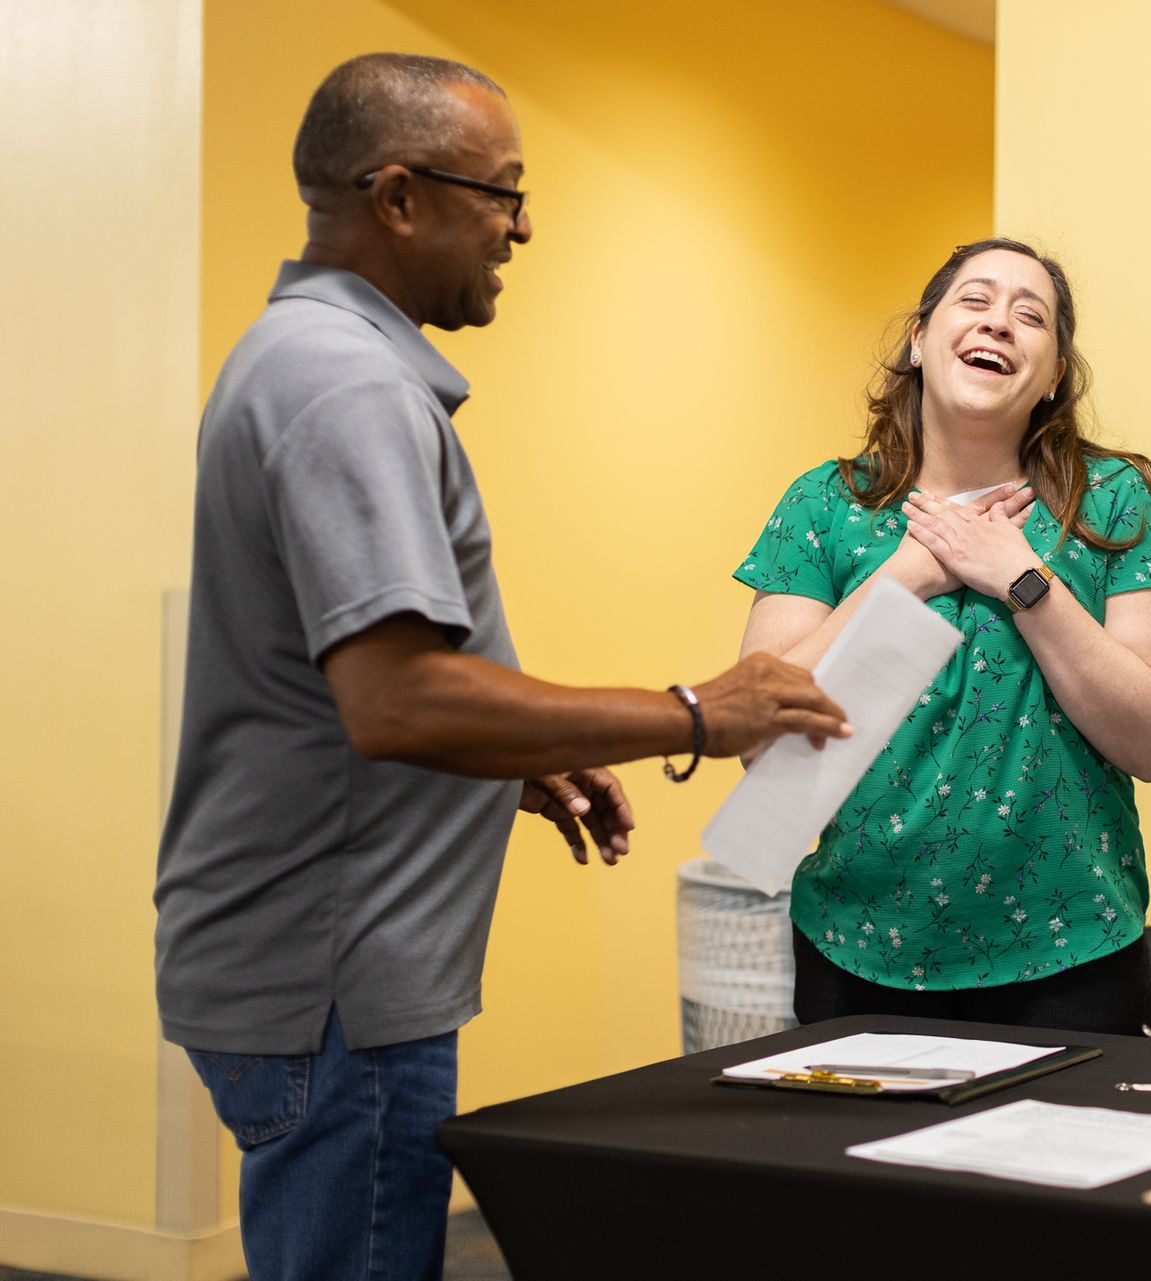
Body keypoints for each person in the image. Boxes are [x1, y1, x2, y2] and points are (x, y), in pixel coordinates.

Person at [154, 53, 847, 1281]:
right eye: (502, 192)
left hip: (309, 964)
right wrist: (694, 713)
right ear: (402, 196)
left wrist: (518, 764)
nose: (523, 226)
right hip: (340, 985)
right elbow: (399, 696)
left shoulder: (300, 356)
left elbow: (340, 678)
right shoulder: (347, 385)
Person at [734, 238, 1151, 1035]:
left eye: (1031, 316)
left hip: (1072, 954)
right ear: (919, 339)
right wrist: (911, 573)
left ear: (1054, 375)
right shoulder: (824, 504)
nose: (1000, 324)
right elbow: (757, 734)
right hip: (856, 949)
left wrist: (1018, 575)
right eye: (976, 301)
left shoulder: (1112, 502)